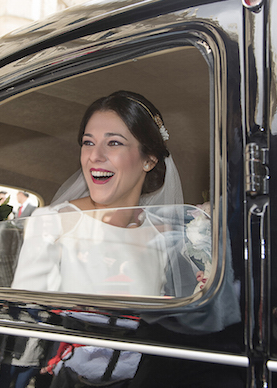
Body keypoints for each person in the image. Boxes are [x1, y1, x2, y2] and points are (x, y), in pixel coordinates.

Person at [11, 90, 187, 386]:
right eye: (88, 143)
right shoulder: (53, 225)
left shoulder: (164, 235)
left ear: (149, 159)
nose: (95, 156)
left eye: (114, 143)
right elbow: (24, 327)